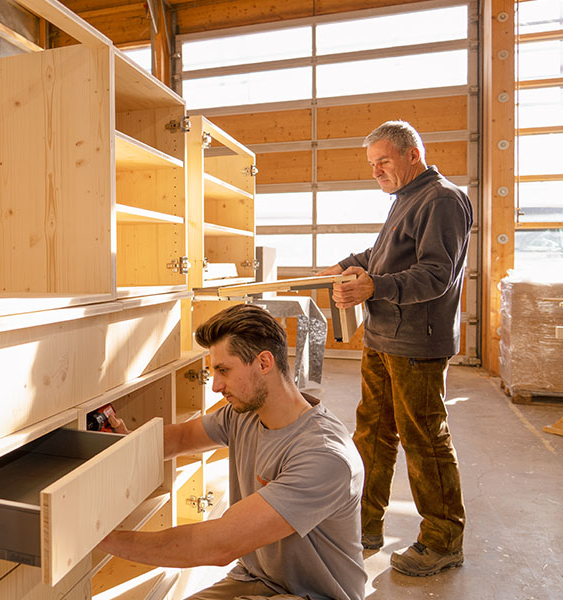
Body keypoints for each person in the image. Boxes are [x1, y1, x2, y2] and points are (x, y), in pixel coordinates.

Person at [99, 304, 366, 600]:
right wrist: (125, 445)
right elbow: (181, 438)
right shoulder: (243, 414)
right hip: (260, 579)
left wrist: (102, 540)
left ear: (264, 363)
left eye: (223, 370)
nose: (216, 386)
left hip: (317, 595)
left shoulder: (324, 456)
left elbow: (218, 545)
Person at [318, 120, 471, 577]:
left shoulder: (442, 199)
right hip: (384, 337)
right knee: (373, 434)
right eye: (371, 164)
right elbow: (384, 255)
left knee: (424, 439)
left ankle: (443, 540)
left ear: (412, 154)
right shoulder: (406, 197)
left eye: (383, 161)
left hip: (416, 344)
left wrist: (374, 287)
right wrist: (347, 265)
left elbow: (435, 274)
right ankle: (364, 525)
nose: (376, 172)